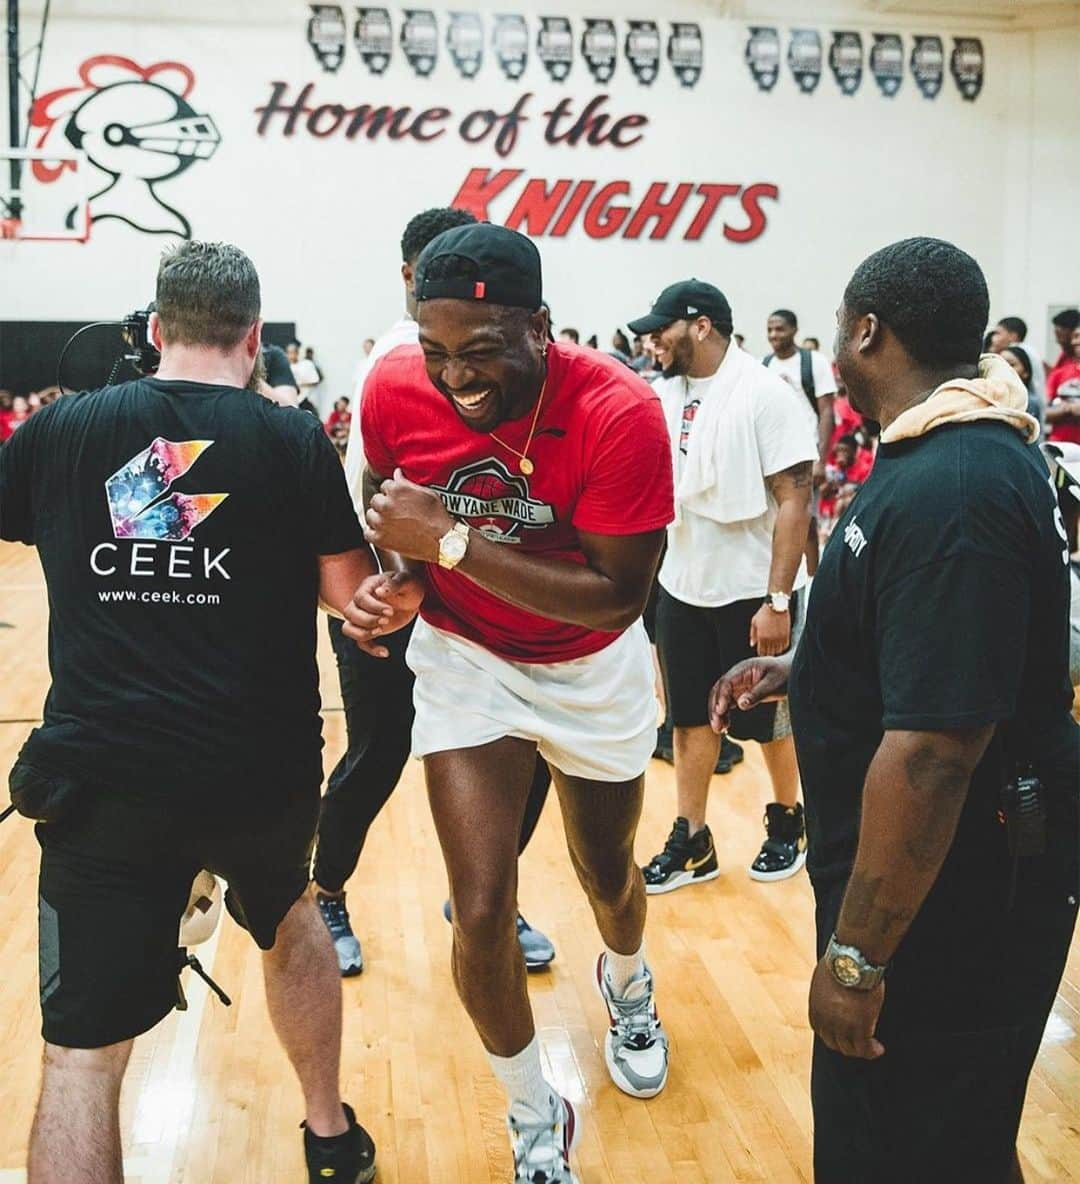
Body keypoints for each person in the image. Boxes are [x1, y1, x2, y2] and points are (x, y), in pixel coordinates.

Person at [0, 241, 388, 1184]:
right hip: (257, 776)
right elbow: (353, 597)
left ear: (156, 328)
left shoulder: (61, 432)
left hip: (102, 777)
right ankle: (328, 1131)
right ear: (254, 336)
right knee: (290, 909)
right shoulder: (293, 439)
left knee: (79, 1062)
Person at [711, 237, 1079, 1183]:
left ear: (867, 330)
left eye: (839, 324)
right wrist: (813, 664)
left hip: (950, 913)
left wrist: (855, 963)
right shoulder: (942, 457)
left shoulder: (954, 491)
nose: (834, 343)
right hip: (938, 895)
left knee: (909, 1146)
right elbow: (929, 645)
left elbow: (932, 755)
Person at [350, 223, 674, 1184]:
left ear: (542, 325)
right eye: (437, 349)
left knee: (606, 871)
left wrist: (448, 546)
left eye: (483, 351)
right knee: (481, 908)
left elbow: (619, 597)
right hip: (469, 658)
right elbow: (386, 491)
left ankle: (628, 981)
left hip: (593, 663)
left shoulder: (621, 411)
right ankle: (538, 1117)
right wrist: (401, 575)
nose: (456, 376)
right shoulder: (392, 382)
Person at [320, 206, 556, 977]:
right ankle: (326, 890)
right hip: (395, 586)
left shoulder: (515, 361)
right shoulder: (391, 361)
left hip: (478, 591)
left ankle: (485, 893)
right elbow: (371, 490)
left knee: (529, 752)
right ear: (410, 281)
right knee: (380, 752)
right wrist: (397, 579)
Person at [628, 281, 815, 889]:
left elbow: (795, 498)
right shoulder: (662, 397)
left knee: (768, 721)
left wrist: (777, 600)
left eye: (663, 328)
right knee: (686, 718)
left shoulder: (766, 394)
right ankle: (694, 839)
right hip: (685, 581)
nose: (652, 339)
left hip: (753, 588)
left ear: (702, 326)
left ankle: (788, 821)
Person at [1046, 324, 1080, 445]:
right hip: (1059, 447)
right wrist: (1067, 409)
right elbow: (1043, 412)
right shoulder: (1059, 374)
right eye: (1075, 336)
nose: (1076, 341)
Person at [1000, 343, 1045, 428]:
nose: (1004, 368)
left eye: (1011, 364)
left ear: (1026, 373)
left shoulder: (1029, 402)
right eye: (1000, 363)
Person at [287, 339, 322, 408]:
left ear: (297, 353)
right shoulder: (285, 366)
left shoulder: (307, 364)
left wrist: (299, 384)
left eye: (292, 352)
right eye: (288, 353)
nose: (290, 355)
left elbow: (315, 381)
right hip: (292, 401)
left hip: (306, 399)